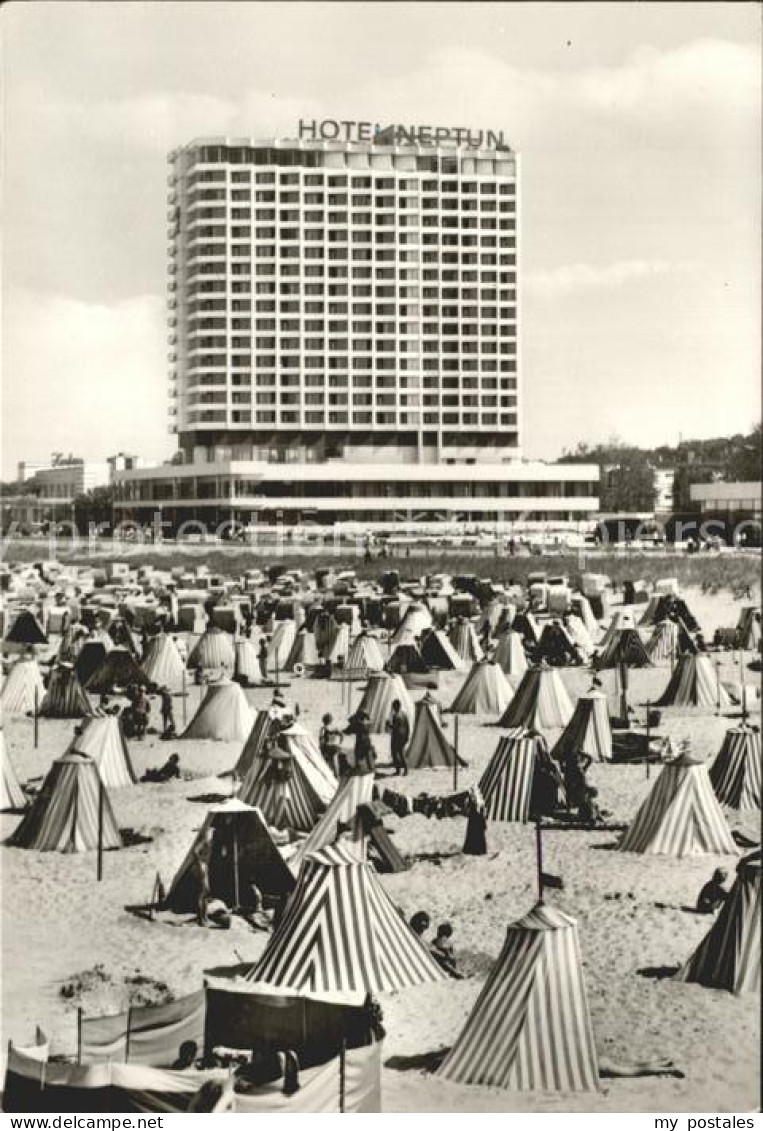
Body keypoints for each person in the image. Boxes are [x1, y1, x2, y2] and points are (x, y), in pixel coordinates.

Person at [344, 709, 377, 775]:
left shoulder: (357, 724)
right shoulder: (367, 724)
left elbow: (348, 729)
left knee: (358, 754)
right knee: (368, 754)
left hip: (360, 741)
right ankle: (371, 768)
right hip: (367, 741)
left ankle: (358, 767)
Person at [192, 829, 213, 926]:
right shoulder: (203, 842)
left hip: (205, 867)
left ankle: (205, 917)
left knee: (206, 892)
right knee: (201, 893)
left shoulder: (209, 843)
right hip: (202, 867)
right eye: (210, 833)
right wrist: (200, 863)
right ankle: (200, 919)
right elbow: (195, 851)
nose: (211, 835)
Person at [386, 699, 410, 776]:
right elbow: (407, 726)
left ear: (395, 706)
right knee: (402, 753)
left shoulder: (396, 716)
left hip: (396, 736)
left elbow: (395, 727)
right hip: (403, 736)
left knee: (395, 753)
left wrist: (388, 724)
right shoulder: (404, 714)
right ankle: (406, 769)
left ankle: (398, 770)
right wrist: (407, 736)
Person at [462, 790, 488, 855]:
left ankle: (476, 849)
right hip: (475, 816)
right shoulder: (475, 798)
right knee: (476, 833)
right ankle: (476, 849)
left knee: (475, 833)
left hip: (475, 816)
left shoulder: (477, 797)